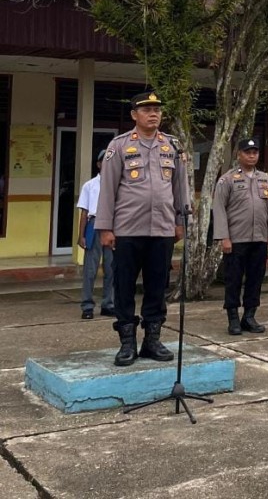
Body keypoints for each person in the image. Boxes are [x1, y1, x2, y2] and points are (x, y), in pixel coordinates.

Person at [96, 92, 188, 366]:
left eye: (157, 109)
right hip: (127, 228)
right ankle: (127, 342)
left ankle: (152, 340)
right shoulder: (120, 145)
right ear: (134, 115)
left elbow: (180, 186)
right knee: (124, 286)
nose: (153, 113)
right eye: (146, 109)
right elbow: (108, 189)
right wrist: (105, 227)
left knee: (157, 286)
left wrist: (180, 221)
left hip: (162, 229)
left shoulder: (172, 146)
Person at [213, 138, 268, 336]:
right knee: (233, 280)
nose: (252, 155)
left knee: (255, 279)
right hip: (236, 239)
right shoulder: (228, 179)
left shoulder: (265, 179)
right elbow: (219, 209)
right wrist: (224, 237)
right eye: (247, 152)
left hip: (258, 239)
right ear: (238, 155)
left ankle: (249, 316)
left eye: (255, 152)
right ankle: (233, 317)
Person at [77, 149, 116, 320]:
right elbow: (84, 212)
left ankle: (109, 304)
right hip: (93, 225)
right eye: (104, 161)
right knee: (90, 270)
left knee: (111, 268)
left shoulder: (117, 184)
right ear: (99, 164)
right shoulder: (90, 185)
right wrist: (81, 235)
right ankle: (87, 305)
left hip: (112, 226)